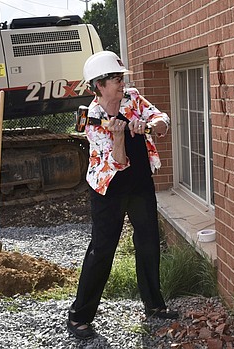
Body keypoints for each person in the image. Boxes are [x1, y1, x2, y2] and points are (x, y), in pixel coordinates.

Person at [67, 51, 177, 340]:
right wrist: (119, 135)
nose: (121, 82)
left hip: (139, 182)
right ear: (99, 85)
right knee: (102, 251)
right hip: (109, 189)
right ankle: (79, 317)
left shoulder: (133, 97)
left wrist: (154, 125)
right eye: (116, 78)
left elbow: (159, 117)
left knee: (149, 242)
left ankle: (155, 305)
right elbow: (117, 162)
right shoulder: (91, 118)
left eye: (121, 77)